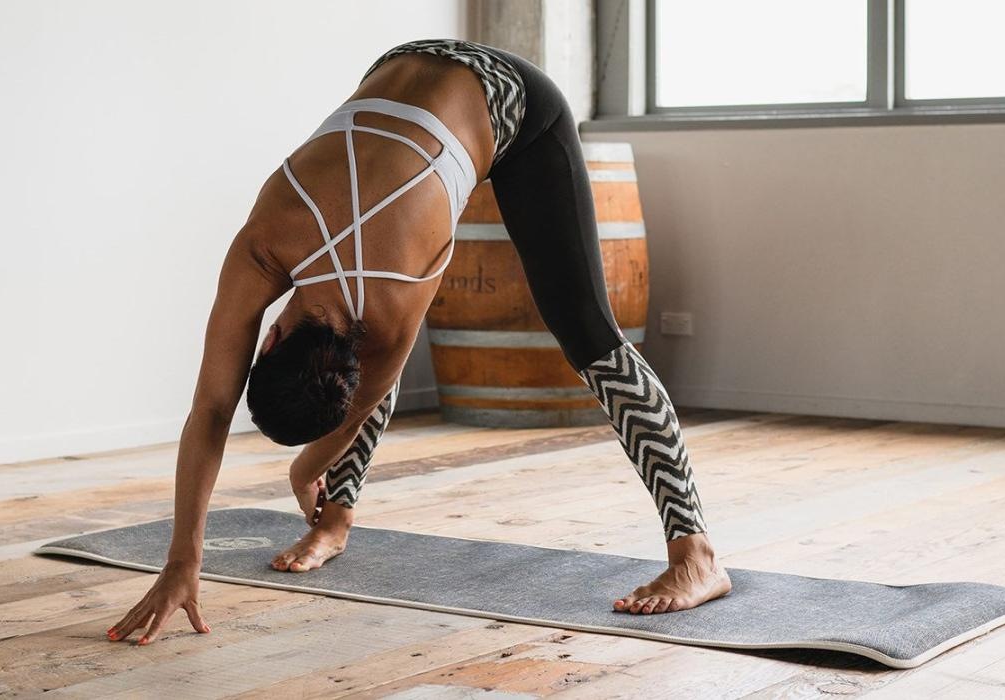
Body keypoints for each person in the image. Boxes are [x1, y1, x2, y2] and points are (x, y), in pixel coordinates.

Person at [108, 39, 730, 646]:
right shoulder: (265, 245)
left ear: (267, 337)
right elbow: (224, 410)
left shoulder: (395, 288)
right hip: (406, 63)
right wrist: (181, 562)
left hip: (515, 102)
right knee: (384, 365)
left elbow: (334, 404)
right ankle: (336, 522)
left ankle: (697, 553)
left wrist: (305, 469)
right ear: (270, 341)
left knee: (591, 336)